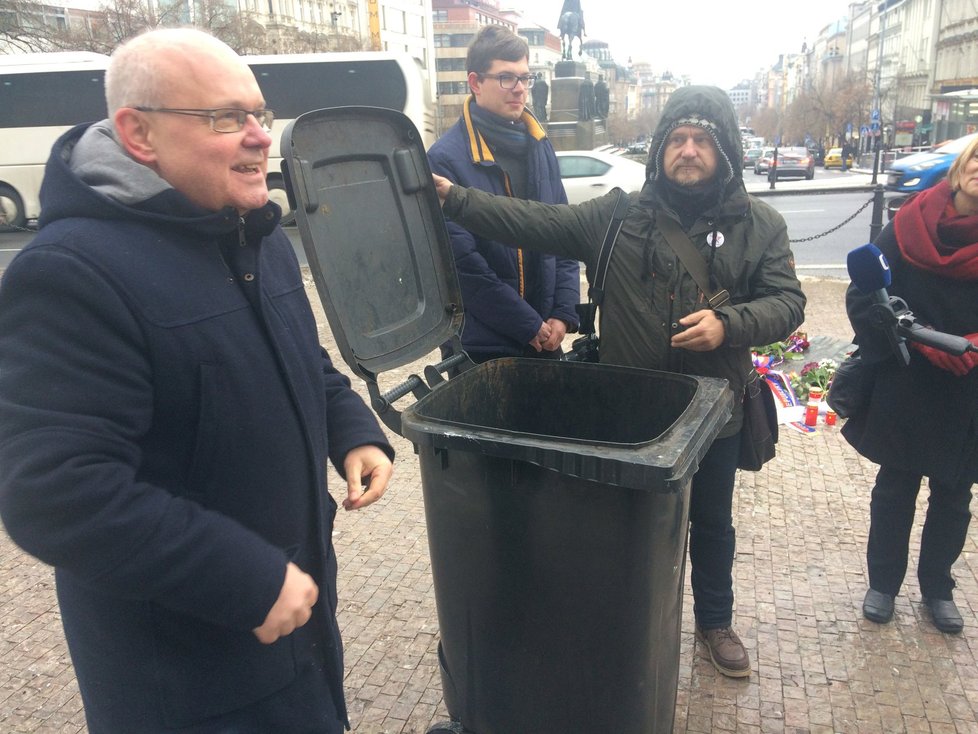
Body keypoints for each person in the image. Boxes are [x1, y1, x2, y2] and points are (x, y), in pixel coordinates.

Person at [0, 28, 395, 732]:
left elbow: (305, 361)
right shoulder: (72, 274)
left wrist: (353, 431)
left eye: (260, 116)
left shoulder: (256, 235)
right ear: (138, 133)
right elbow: (53, 491)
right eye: (225, 118)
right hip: (185, 683)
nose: (257, 137)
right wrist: (246, 578)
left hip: (295, 637)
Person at [433, 85, 806, 677]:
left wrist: (728, 324)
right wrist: (455, 200)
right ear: (660, 148)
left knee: (712, 523)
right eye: (678, 139)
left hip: (717, 412)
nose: (688, 151)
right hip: (631, 414)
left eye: (702, 140)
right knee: (622, 529)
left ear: (725, 150)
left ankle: (715, 622)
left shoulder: (759, 225)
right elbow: (532, 220)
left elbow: (788, 303)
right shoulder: (617, 217)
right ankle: (621, 616)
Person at [844, 135, 978, 634]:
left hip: (970, 384)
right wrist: (916, 340)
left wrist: (968, 346)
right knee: (895, 485)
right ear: (962, 164)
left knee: (953, 492)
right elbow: (865, 294)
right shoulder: (909, 223)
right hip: (909, 374)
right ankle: (883, 583)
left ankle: (937, 588)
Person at [427, 25, 580, 363]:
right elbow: (461, 265)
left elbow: (566, 233)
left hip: (546, 340)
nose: (520, 89)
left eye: (526, 78)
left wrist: (563, 313)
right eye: (507, 78)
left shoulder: (540, 146)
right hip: (482, 348)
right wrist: (527, 325)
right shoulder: (444, 158)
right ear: (475, 82)